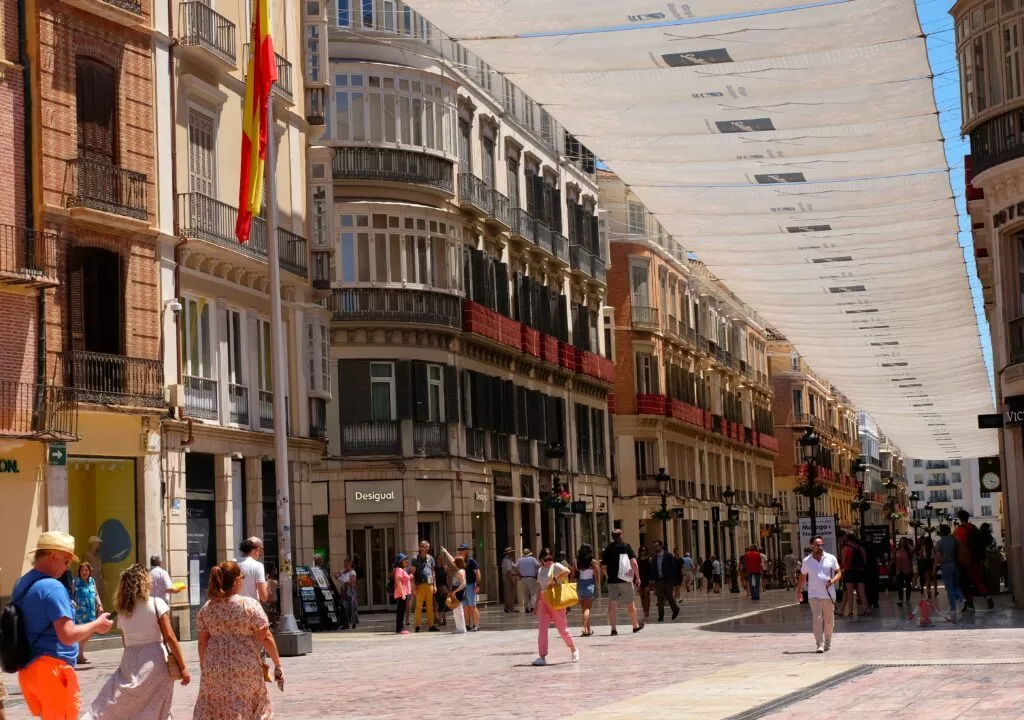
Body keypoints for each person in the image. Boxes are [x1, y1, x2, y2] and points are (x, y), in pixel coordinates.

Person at [13, 531, 114, 719]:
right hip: (53, 671)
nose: (67, 567)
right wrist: (96, 624)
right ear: (53, 556)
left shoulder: (22, 583)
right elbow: (67, 635)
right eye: (66, 561)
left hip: (28, 670)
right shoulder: (53, 586)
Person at [82, 564, 190, 719]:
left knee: (119, 702)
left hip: (130, 661)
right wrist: (184, 667)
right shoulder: (156, 603)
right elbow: (170, 637)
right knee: (157, 707)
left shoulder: (123, 612)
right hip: (156, 662)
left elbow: (126, 641)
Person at [193, 561, 283, 718]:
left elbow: (202, 642)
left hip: (214, 667)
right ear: (236, 581)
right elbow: (265, 637)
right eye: (242, 577)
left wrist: (204, 665)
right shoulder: (248, 605)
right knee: (248, 706)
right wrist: (277, 664)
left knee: (216, 707)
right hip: (245, 666)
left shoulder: (207, 608)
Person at [532, 548, 579, 666]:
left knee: (562, 629)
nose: (548, 561)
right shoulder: (540, 570)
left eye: (550, 559)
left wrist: (554, 579)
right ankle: (542, 656)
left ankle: (573, 649)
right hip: (543, 601)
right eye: (545, 559)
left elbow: (567, 571)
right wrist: (536, 604)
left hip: (555, 601)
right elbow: (539, 587)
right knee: (542, 630)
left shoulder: (556, 566)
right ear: (541, 560)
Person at [796, 536, 841, 653]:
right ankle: (819, 644)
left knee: (829, 620)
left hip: (829, 594)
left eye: (821, 545)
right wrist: (799, 592)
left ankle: (828, 641)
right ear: (812, 546)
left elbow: (839, 572)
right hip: (814, 594)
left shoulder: (830, 558)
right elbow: (802, 577)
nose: (820, 547)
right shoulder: (807, 561)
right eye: (817, 545)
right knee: (817, 618)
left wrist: (833, 581)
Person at [600, 528, 643, 635]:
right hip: (625, 580)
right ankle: (635, 625)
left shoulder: (608, 549)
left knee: (612, 604)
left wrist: (608, 576)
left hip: (612, 581)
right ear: (621, 536)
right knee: (630, 604)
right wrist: (637, 577)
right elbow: (633, 562)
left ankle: (613, 629)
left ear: (613, 537)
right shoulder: (626, 546)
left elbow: (604, 567)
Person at [954, 509, 994, 612]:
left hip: (965, 560)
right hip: (976, 558)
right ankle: (987, 597)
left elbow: (957, 545)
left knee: (965, 582)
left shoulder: (959, 530)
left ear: (959, 518)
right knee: (978, 581)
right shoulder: (974, 528)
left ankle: (970, 604)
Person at [72, 562, 103, 664]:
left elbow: (96, 593)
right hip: (80, 613)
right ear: (79, 572)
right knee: (82, 633)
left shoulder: (92, 581)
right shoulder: (75, 582)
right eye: (82, 570)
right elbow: (69, 595)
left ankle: (79, 654)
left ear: (90, 571)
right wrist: (71, 602)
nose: (84, 572)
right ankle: (79, 655)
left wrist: (99, 604)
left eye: (86, 570)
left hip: (91, 612)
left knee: (90, 632)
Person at [410, 541, 439, 632]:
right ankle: (417, 626)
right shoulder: (415, 559)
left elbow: (433, 572)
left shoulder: (430, 558)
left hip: (429, 584)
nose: (423, 548)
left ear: (428, 548)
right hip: (420, 585)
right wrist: (413, 585)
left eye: (425, 546)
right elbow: (412, 572)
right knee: (418, 606)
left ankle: (431, 625)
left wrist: (435, 585)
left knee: (430, 606)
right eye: (421, 546)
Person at [935, 524, 962, 616]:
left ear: (941, 532)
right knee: (957, 584)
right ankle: (963, 598)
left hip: (946, 566)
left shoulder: (939, 542)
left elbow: (938, 556)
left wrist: (934, 567)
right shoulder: (955, 540)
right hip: (956, 564)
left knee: (949, 587)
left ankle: (953, 608)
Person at [651, 541, 681, 621]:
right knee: (659, 599)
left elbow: (673, 568)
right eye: (654, 546)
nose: (655, 547)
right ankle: (661, 616)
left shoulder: (668, 556)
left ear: (661, 546)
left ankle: (675, 609)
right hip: (659, 580)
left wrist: (672, 580)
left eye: (656, 546)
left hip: (668, 580)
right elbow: (653, 569)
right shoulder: (655, 557)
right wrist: (653, 579)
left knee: (669, 597)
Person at [575, 543, 600, 637]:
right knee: (587, 609)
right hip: (589, 584)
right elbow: (597, 574)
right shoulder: (593, 562)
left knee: (583, 609)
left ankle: (588, 629)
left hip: (580, 584)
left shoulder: (577, 561)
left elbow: (573, 573)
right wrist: (596, 583)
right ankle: (585, 628)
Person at [236, 537, 269, 603]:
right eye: (262, 551)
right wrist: (267, 586)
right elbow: (264, 597)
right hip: (250, 608)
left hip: (233, 608)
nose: (261, 555)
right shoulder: (257, 566)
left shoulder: (230, 563)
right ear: (258, 549)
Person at [458, 543, 483, 631]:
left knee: (472, 606)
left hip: (471, 585)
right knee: (465, 607)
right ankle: (467, 625)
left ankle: (476, 625)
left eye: (462, 550)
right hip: (464, 586)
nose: (461, 552)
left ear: (466, 551)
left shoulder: (471, 561)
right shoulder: (460, 562)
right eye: (460, 550)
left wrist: (477, 585)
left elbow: (478, 573)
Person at [890, 538, 915, 608]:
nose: (902, 543)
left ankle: (907, 600)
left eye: (904, 542)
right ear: (899, 542)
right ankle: (900, 601)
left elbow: (913, 549)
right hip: (899, 570)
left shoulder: (909, 551)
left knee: (908, 586)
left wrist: (908, 543)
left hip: (907, 570)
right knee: (900, 587)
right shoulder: (897, 550)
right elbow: (893, 560)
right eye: (901, 541)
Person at [336, 557, 359, 629]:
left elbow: (352, 582)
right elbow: (337, 575)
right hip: (344, 590)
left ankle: (353, 623)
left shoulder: (352, 572)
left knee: (352, 607)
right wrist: (337, 576)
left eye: (347, 564)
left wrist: (346, 582)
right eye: (344, 564)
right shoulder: (343, 571)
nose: (345, 566)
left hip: (351, 591)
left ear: (350, 565)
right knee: (344, 607)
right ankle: (345, 623)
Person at [517, 549, 541, 614]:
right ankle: (532, 607)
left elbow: (515, 567)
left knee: (525, 594)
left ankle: (526, 608)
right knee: (533, 593)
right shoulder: (533, 559)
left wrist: (519, 574)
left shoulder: (520, 560)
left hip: (523, 578)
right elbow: (538, 566)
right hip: (531, 578)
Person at [393, 554, 412, 634]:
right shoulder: (399, 570)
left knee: (401, 611)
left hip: (404, 593)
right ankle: (399, 628)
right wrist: (403, 594)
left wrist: (410, 577)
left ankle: (400, 628)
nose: (407, 561)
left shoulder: (402, 570)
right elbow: (398, 582)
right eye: (405, 559)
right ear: (401, 561)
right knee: (400, 611)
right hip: (401, 594)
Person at [448, 556, 468, 634]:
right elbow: (452, 560)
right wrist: (445, 551)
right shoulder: (462, 570)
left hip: (458, 592)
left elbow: (464, 583)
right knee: (457, 610)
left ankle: (461, 629)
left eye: (455, 562)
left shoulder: (460, 572)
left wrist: (455, 591)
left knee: (458, 611)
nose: (454, 563)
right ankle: (460, 628)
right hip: (457, 592)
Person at [636, 545, 653, 621]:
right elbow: (636, 571)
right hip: (640, 579)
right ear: (640, 551)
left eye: (645, 550)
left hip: (647, 579)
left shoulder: (649, 559)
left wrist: (651, 579)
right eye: (642, 550)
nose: (644, 552)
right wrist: (636, 580)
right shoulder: (637, 560)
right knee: (642, 596)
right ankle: (644, 612)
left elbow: (651, 570)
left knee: (647, 595)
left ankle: (647, 613)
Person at [917, 535, 937, 599]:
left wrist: (923, 559)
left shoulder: (923, 547)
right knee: (934, 578)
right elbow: (936, 556)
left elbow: (920, 555)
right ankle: (936, 591)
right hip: (932, 562)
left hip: (926, 562)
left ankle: (928, 592)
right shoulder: (933, 547)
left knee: (927, 578)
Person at [501, 547, 518, 613]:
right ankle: (509, 608)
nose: (512, 553)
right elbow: (508, 571)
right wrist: (512, 580)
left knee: (509, 592)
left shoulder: (509, 560)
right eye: (511, 552)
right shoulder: (507, 560)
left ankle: (509, 607)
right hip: (508, 577)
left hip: (508, 576)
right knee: (508, 593)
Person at [434, 557, 449, 627]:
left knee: (444, 604)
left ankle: (443, 620)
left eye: (441, 558)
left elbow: (446, 578)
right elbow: (434, 578)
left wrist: (448, 588)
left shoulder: (445, 568)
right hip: (437, 587)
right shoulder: (434, 568)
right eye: (438, 559)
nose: (440, 560)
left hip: (444, 587)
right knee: (440, 603)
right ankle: (440, 619)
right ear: (436, 560)